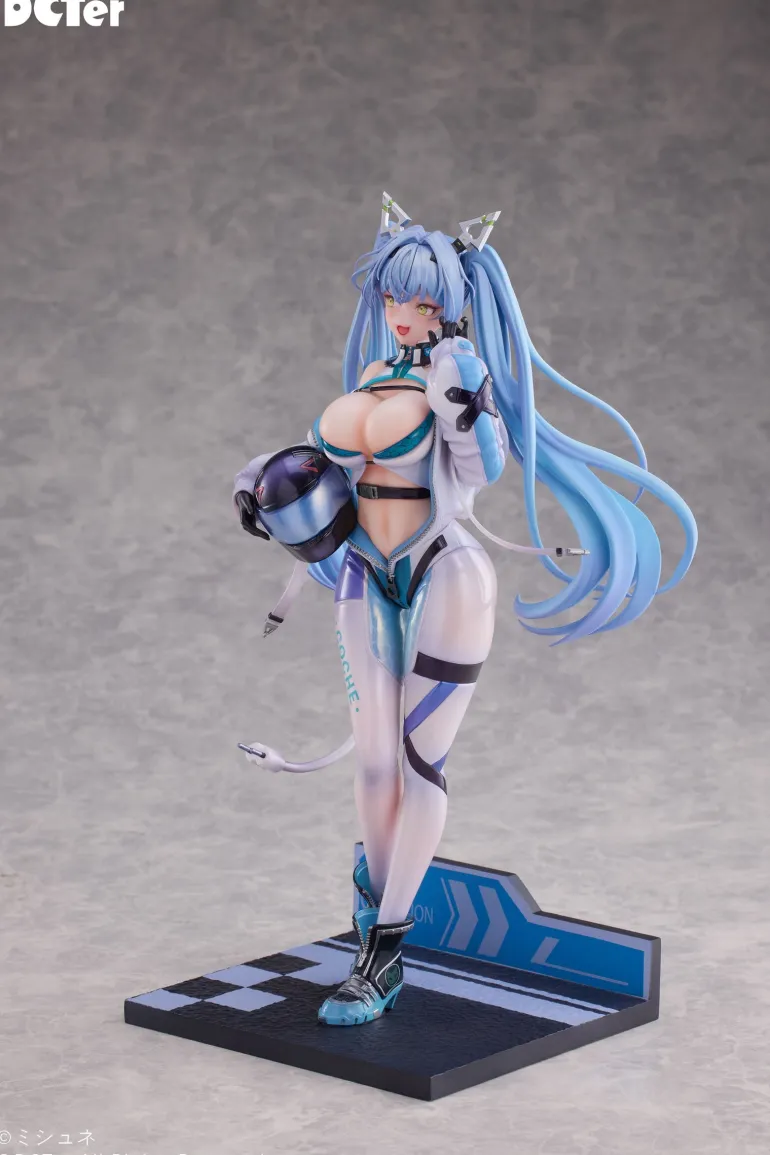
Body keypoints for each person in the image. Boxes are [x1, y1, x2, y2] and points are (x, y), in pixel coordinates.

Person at [233, 193, 698, 1028]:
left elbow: (481, 470)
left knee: (419, 764)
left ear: (449, 305)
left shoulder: (460, 370)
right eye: (393, 296)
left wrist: (464, 403)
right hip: (363, 572)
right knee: (373, 764)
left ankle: (384, 948)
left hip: (446, 573)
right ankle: (376, 907)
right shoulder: (372, 375)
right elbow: (328, 469)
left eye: (421, 302)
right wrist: (264, 482)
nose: (404, 313)